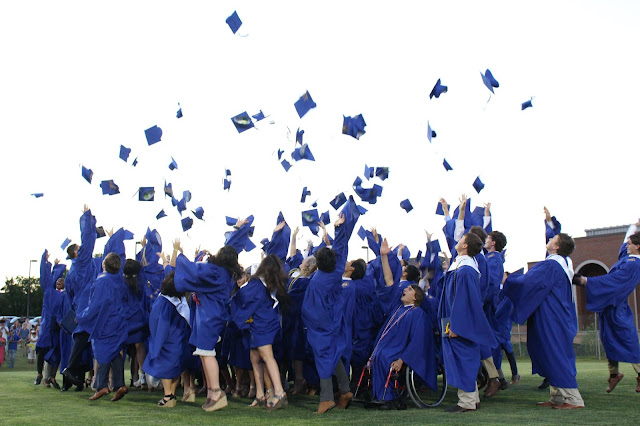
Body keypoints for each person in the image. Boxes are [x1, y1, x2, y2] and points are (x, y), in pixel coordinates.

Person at [503, 233, 585, 409]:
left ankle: (573, 399)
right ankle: (557, 398)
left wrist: (508, 281)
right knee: (550, 354)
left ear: (556, 247)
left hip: (551, 318)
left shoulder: (551, 265)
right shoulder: (562, 266)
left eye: (552, 240)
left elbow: (529, 283)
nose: (549, 241)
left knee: (556, 354)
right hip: (557, 316)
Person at [173, 219, 247, 413]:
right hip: (211, 315)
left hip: (210, 317)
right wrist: (238, 228)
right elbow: (232, 248)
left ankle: (216, 392)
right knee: (205, 354)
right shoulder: (225, 272)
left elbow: (192, 270)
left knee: (207, 354)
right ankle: (211, 394)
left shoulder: (216, 272)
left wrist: (179, 256)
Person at [302, 197, 360, 414]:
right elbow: (342, 245)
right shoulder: (335, 272)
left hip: (321, 325)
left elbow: (311, 310)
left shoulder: (318, 281)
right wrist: (341, 226)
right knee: (333, 356)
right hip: (333, 322)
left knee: (323, 357)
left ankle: (326, 399)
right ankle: (345, 390)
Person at [369, 238, 437, 405]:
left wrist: (402, 360)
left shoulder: (417, 314)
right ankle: (379, 395)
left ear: (415, 297)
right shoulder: (398, 307)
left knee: (384, 356)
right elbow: (388, 280)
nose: (404, 289)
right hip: (387, 347)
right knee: (378, 355)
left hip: (401, 350)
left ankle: (388, 396)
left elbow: (417, 342)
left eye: (407, 289)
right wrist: (384, 257)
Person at [576, 223, 640, 393]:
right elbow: (623, 248)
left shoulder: (634, 264)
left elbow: (614, 282)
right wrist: (634, 226)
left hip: (617, 308)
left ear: (638, 246)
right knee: (609, 341)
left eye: (630, 243)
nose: (627, 245)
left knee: (628, 341)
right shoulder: (627, 259)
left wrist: (587, 281)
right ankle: (614, 375)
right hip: (609, 307)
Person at [439, 233, 497, 413]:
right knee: (464, 359)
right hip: (455, 321)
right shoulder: (461, 267)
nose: (458, 241)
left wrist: (457, 325)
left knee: (464, 359)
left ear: (465, 247)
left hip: (459, 324)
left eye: (461, 239)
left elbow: (464, 301)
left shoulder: (465, 270)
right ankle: (473, 399)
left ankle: (467, 402)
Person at [232, 254, 290, 410]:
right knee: (255, 357)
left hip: (261, 325)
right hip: (266, 324)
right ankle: (260, 394)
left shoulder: (258, 285)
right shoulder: (274, 284)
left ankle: (279, 392)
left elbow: (242, 298)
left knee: (267, 356)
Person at [77, 252, 129, 402]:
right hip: (119, 322)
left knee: (102, 352)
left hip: (106, 322)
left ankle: (102, 386)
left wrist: (81, 316)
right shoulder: (120, 280)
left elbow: (95, 305)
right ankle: (119, 384)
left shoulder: (101, 281)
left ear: (104, 265)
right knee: (114, 352)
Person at [143, 270, 191, 407]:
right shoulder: (182, 302)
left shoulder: (164, 302)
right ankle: (173, 394)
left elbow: (160, 323)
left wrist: (157, 344)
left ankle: (168, 396)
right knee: (177, 368)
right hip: (180, 340)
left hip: (168, 341)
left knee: (166, 368)